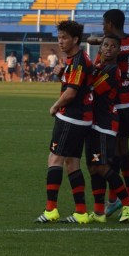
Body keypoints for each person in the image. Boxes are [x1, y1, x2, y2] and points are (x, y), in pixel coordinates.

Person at [35, 20, 93, 224]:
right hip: (80, 118)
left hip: (71, 118)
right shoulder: (74, 59)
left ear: (75, 39)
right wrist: (62, 76)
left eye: (64, 38)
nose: (60, 41)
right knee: (72, 163)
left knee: (54, 159)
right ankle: (81, 212)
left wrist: (55, 106)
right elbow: (75, 85)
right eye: (59, 37)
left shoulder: (77, 60)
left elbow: (71, 93)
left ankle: (51, 210)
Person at [87, 9, 129, 216]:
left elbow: (99, 69)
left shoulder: (110, 47)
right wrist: (100, 40)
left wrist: (100, 43)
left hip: (115, 104)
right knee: (123, 149)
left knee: (109, 155)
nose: (102, 27)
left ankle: (115, 198)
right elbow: (115, 41)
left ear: (109, 24)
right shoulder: (128, 41)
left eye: (103, 24)